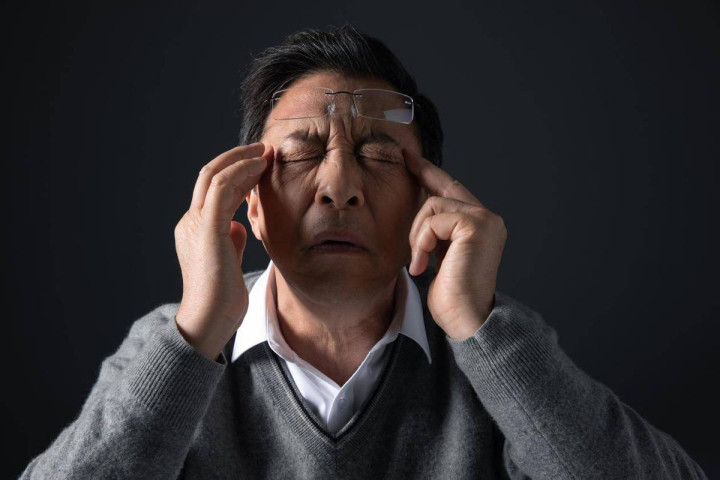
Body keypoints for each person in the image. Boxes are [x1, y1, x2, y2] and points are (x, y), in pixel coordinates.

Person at [20, 24, 707, 479]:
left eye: (378, 156)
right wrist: (196, 333)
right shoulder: (173, 348)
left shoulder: (493, 356)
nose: (340, 187)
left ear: (427, 200)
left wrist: (479, 327)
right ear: (249, 201)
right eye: (302, 154)